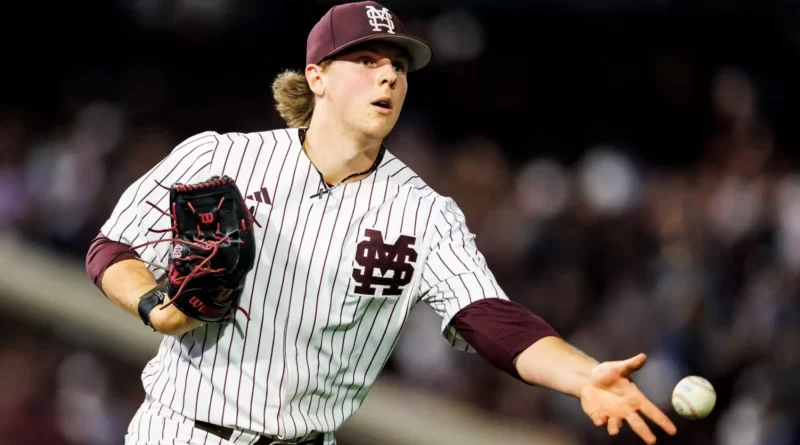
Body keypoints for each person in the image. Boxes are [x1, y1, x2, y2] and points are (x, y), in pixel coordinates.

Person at [85, 2, 678, 444]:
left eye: (397, 66)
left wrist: (583, 377)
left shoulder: (423, 212)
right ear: (316, 76)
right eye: (366, 61)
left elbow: (489, 319)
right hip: (181, 431)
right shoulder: (221, 157)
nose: (389, 76)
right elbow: (111, 249)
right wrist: (150, 302)